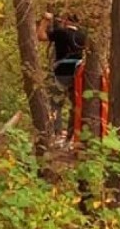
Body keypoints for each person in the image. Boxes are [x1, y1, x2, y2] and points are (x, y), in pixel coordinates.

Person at [37, 10, 86, 141]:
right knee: (75, 106)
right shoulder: (82, 35)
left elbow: (41, 36)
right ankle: (70, 137)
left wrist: (45, 21)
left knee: (55, 104)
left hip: (61, 73)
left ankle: (57, 134)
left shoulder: (61, 33)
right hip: (77, 74)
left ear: (66, 20)